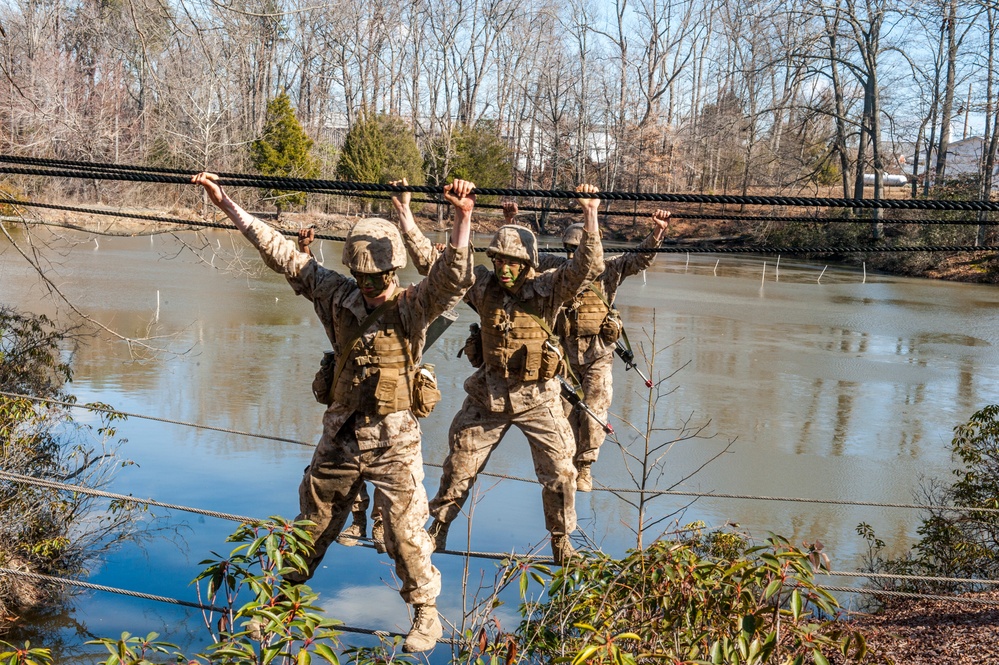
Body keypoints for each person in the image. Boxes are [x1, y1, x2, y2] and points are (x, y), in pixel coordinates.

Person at [191, 171, 475, 653]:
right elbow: (279, 251)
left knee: (406, 535)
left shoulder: (413, 305)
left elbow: (452, 277)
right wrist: (225, 203)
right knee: (313, 528)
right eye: (362, 277)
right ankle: (278, 602)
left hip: (394, 440)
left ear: (393, 273)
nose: (368, 286)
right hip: (340, 435)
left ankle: (426, 614)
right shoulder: (336, 294)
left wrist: (462, 218)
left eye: (377, 278)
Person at [417, 185, 605, 565]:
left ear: (528, 264)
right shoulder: (484, 286)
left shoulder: (548, 290)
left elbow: (587, 266)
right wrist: (443, 216)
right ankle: (438, 526)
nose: (504, 269)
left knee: (560, 473)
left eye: (513, 263)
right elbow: (439, 269)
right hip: (488, 396)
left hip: (539, 398)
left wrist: (590, 214)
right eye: (499, 260)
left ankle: (561, 541)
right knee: (459, 466)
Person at [532, 206, 671, 492]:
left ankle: (584, 468)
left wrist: (657, 232)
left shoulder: (608, 270)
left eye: (579, 249)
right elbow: (524, 258)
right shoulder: (554, 267)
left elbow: (639, 259)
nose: (574, 257)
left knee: (594, 412)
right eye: (570, 250)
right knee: (561, 413)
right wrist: (510, 222)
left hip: (598, 354)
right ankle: (566, 463)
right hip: (563, 356)